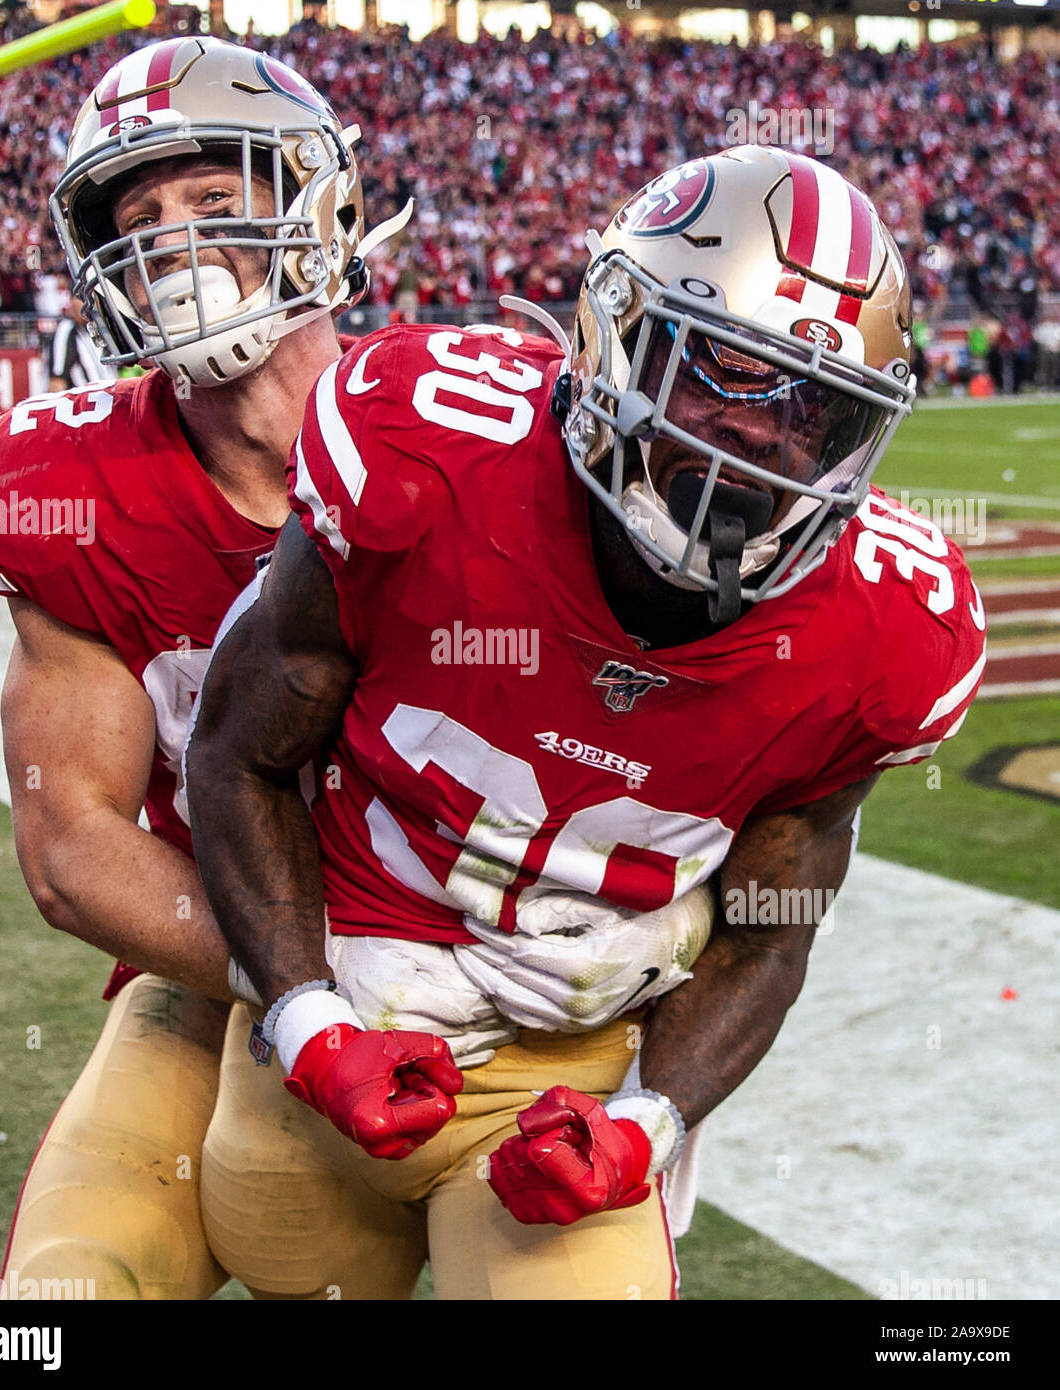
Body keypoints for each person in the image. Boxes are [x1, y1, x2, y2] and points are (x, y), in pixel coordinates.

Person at [186, 147, 988, 1301]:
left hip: (581, 1050)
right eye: (717, 370)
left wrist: (643, 1124)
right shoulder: (424, 456)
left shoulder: (886, 635)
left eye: (811, 407)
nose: (754, 439)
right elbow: (236, 755)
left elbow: (770, 929)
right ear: (614, 335)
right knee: (250, 1261)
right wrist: (307, 1017)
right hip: (346, 977)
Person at [0, 35, 401, 1300]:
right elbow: (72, 846)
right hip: (223, 961)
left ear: (322, 207)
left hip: (492, 968)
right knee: (52, 1299)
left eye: (213, 203)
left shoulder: (476, 427)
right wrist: (320, 992)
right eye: (138, 216)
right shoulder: (66, 491)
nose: (172, 245)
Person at [45, 296, 117, 391]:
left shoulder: (97, 326)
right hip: (85, 400)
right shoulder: (66, 330)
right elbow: (57, 380)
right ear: (71, 301)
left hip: (108, 395)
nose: (87, 304)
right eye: (81, 299)